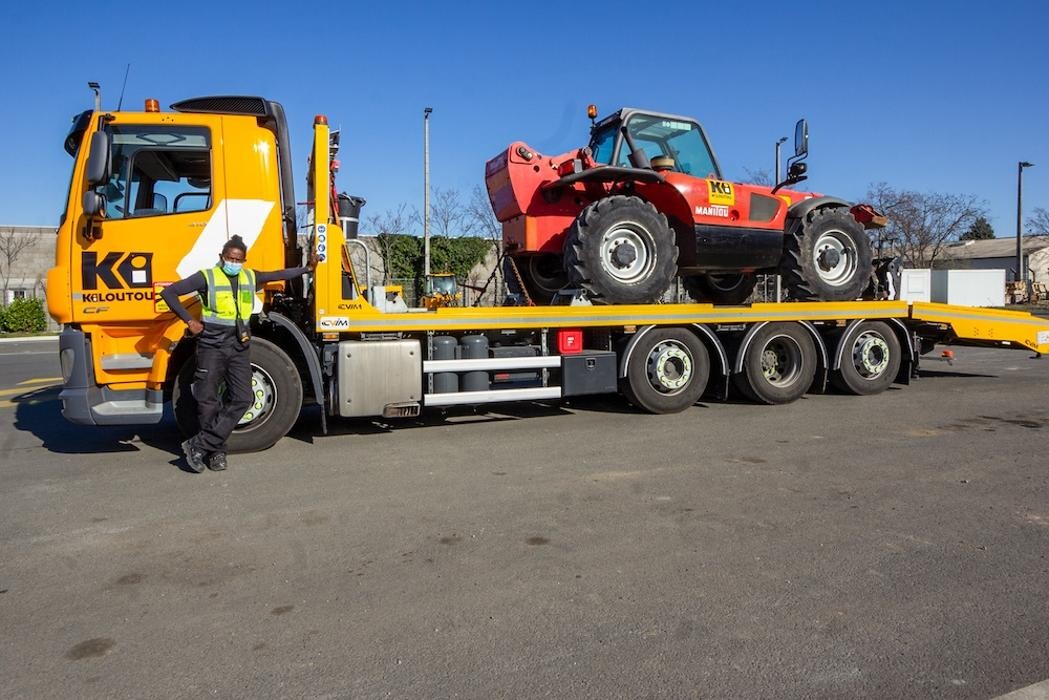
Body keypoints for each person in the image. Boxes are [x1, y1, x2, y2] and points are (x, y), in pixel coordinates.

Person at [160, 235, 317, 473]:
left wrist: (306, 269)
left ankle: (199, 444)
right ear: (221, 257)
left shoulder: (249, 276)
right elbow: (170, 293)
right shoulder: (207, 277)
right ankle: (216, 453)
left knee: (243, 398)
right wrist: (190, 321)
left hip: (239, 345)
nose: (234, 262)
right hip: (212, 344)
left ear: (244, 260)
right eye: (230, 258)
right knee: (208, 401)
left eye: (238, 259)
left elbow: (277, 274)